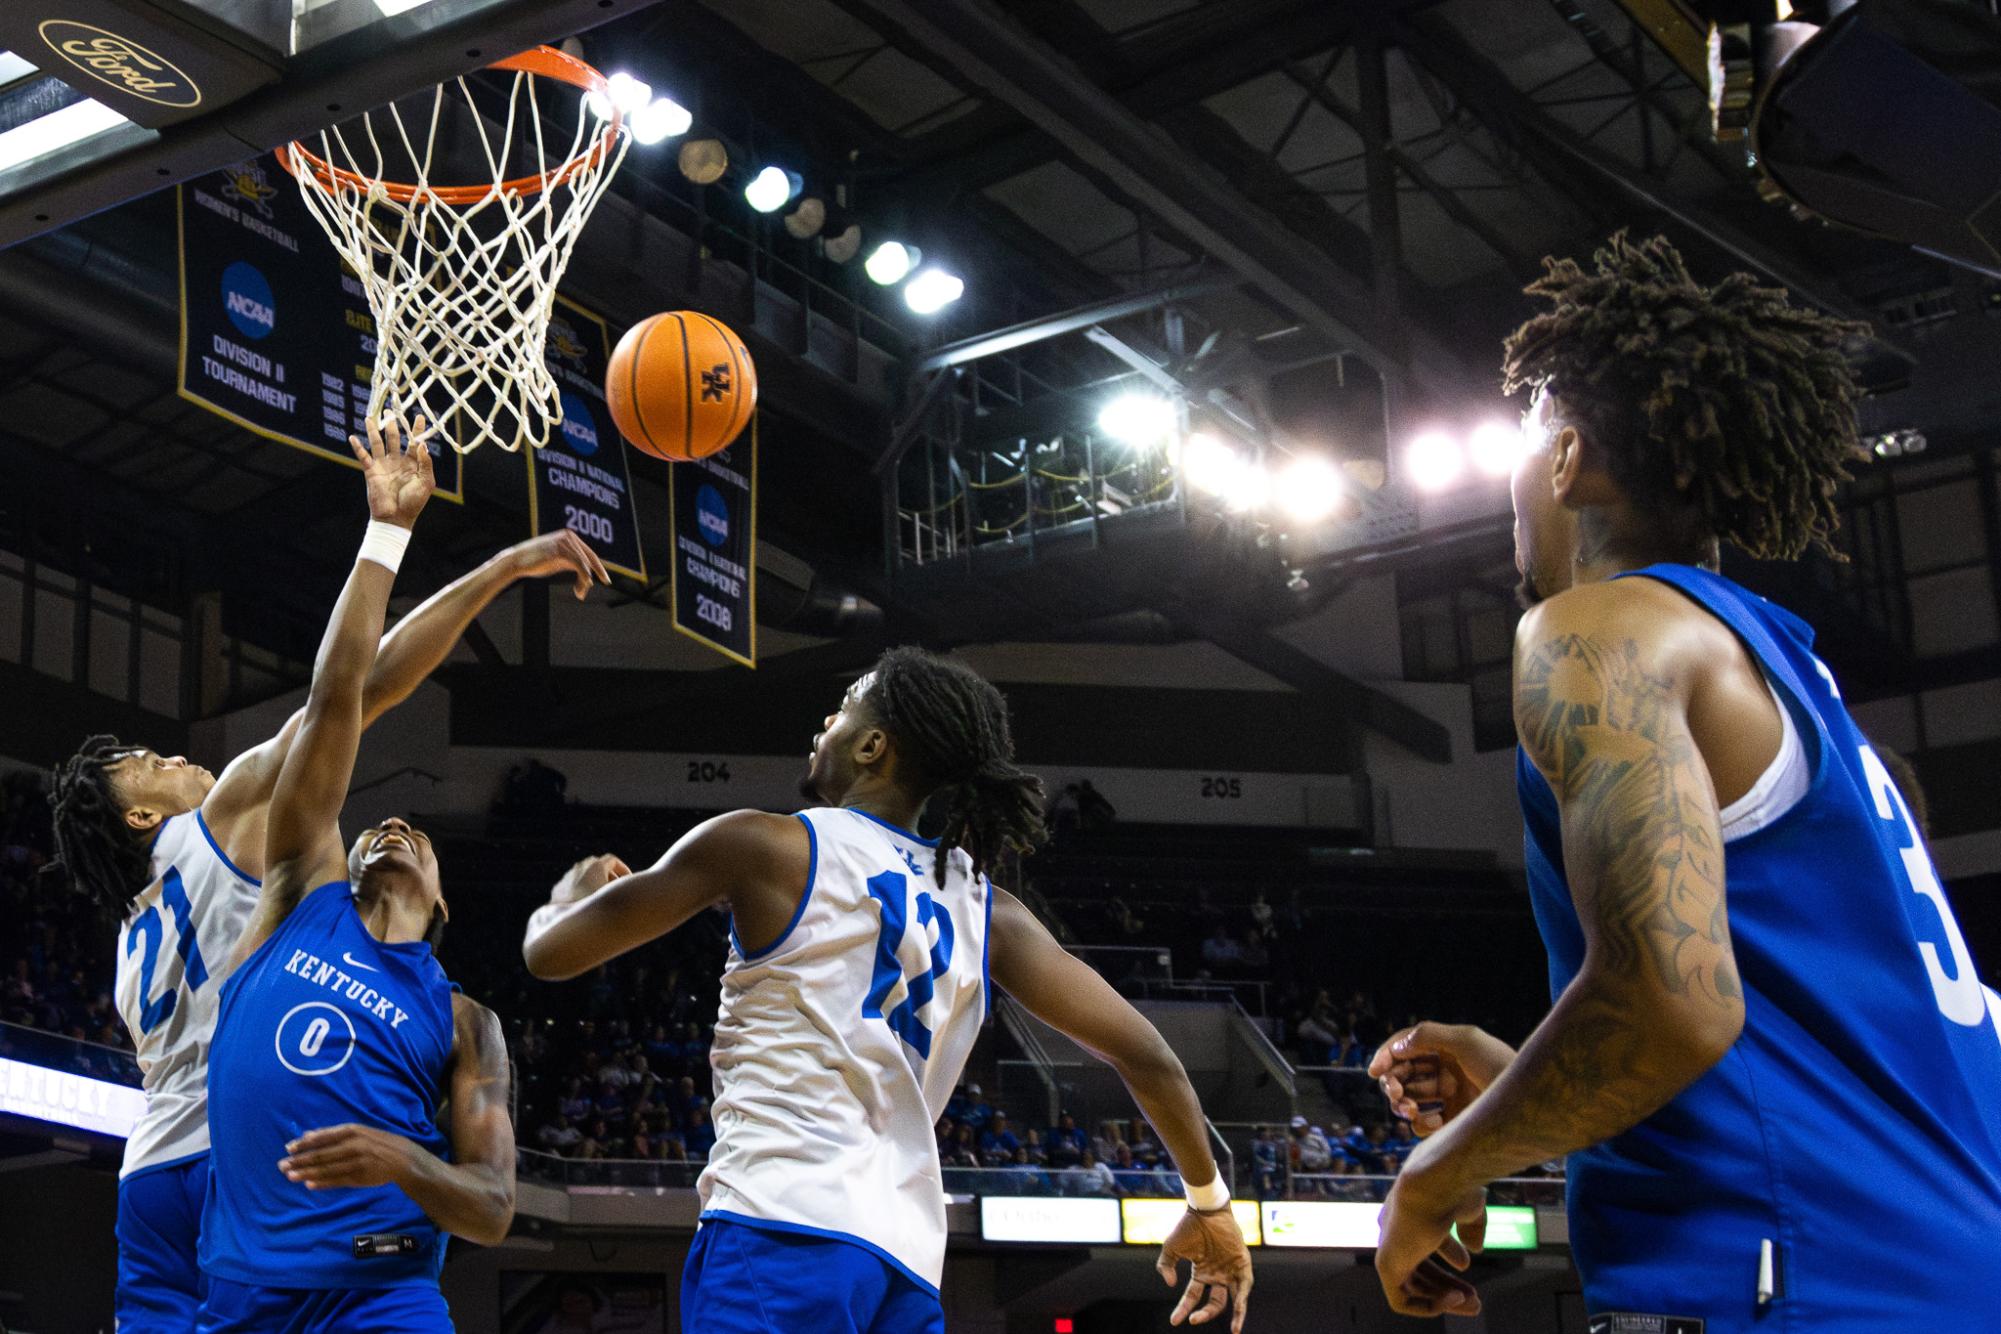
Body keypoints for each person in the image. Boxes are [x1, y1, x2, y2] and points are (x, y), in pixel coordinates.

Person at [1368, 234, 2001, 1326]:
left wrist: (1439, 1173)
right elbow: (1800, 1043)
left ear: (1565, 456)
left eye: (1526, 443)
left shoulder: (1596, 630)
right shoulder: (1796, 677)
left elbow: (1671, 1001)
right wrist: (1528, 1079)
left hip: (1800, 1284)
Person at [44, 430, 606, 1333]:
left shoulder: (128, 937)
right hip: (234, 1157)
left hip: (146, 1172)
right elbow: (359, 688)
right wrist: (467, 564)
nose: (172, 754)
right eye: (147, 764)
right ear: (141, 820)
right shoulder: (222, 815)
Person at [522, 647, 1253, 1333]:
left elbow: (551, 956)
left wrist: (566, 895)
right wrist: (1209, 1203)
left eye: (843, 708)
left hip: (780, 1222)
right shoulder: (989, 910)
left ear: (873, 747)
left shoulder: (761, 845)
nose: (825, 723)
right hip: (902, 1264)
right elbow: (1147, 1054)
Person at [195, 416, 517, 1330]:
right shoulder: (299, 890)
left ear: (444, 897)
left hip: (381, 1298)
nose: (393, 826)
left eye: (416, 833)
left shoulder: (466, 1022)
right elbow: (336, 699)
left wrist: (404, 1160)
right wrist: (388, 530)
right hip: (244, 1291)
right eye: (376, 825)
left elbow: (493, 1208)